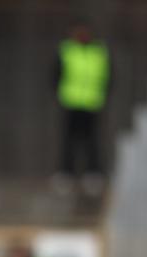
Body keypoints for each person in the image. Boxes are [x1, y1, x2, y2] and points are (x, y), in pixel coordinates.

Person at [53, 20, 111, 194]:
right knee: (68, 140)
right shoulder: (66, 50)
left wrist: (103, 95)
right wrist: (60, 94)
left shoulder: (99, 52)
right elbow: (55, 74)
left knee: (92, 141)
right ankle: (66, 173)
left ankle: (93, 174)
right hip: (71, 102)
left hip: (92, 103)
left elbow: (108, 76)